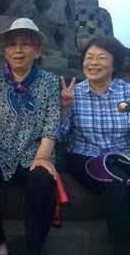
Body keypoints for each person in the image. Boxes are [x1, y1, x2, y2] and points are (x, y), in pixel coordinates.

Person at [0, 18, 60, 255]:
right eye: (13, 45)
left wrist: (42, 158)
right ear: (5, 50)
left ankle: (33, 246)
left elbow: (52, 123)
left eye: (26, 44)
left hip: (32, 153)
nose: (18, 50)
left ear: (37, 50)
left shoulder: (50, 82)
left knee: (43, 182)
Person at [60, 36, 130, 255]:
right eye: (89, 57)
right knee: (117, 188)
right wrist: (64, 108)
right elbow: (59, 135)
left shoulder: (126, 93)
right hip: (83, 156)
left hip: (121, 156)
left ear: (115, 63)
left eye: (101, 57)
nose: (93, 63)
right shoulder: (74, 93)